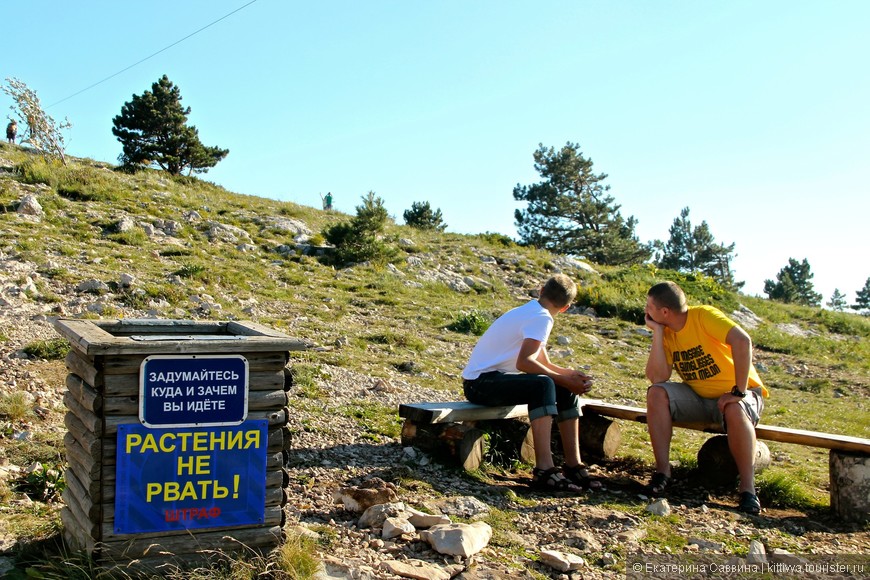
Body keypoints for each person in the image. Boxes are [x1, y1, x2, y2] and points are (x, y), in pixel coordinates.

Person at [461, 274, 601, 492]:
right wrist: (563, 378)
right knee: (544, 384)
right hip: (480, 383)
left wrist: (569, 376)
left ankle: (573, 464)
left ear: (541, 290)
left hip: (487, 380)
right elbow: (525, 362)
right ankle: (544, 469)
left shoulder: (532, 311)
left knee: (560, 386)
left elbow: (541, 361)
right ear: (566, 307)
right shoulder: (541, 318)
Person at [643, 281, 768, 514]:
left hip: (741, 394)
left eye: (649, 306)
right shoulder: (667, 332)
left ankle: (748, 490)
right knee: (657, 394)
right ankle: (662, 473)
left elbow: (743, 341)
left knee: (734, 408)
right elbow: (657, 378)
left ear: (665, 312)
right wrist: (658, 334)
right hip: (700, 398)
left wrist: (738, 392)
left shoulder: (703, 316)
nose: (645, 311)